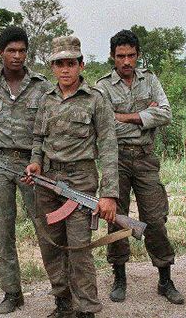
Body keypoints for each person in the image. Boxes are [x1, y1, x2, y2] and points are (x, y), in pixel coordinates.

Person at [24, 36, 118, 318]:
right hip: (49, 182)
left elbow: (109, 146)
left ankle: (87, 308)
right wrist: (35, 164)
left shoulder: (96, 100)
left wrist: (109, 193)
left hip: (80, 181)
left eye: (71, 63)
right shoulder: (46, 100)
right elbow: (38, 138)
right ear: (52, 67)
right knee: (51, 246)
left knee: (79, 249)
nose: (65, 69)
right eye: (59, 64)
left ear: (81, 64)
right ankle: (63, 303)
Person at [94, 29, 183, 304]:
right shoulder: (102, 87)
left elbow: (165, 113)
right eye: (120, 56)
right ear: (112, 57)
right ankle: (119, 277)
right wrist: (145, 116)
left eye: (131, 55)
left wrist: (123, 116)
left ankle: (165, 279)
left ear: (138, 55)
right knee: (116, 218)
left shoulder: (151, 81)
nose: (126, 62)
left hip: (145, 158)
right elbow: (103, 124)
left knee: (155, 219)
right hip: (115, 159)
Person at [0, 26, 53, 314]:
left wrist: (44, 159)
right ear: (1, 53)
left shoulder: (42, 86)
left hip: (33, 166)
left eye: (22, 50)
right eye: (11, 50)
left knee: (45, 227)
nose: (17, 56)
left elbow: (50, 127)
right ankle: (12, 292)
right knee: (4, 231)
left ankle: (60, 289)